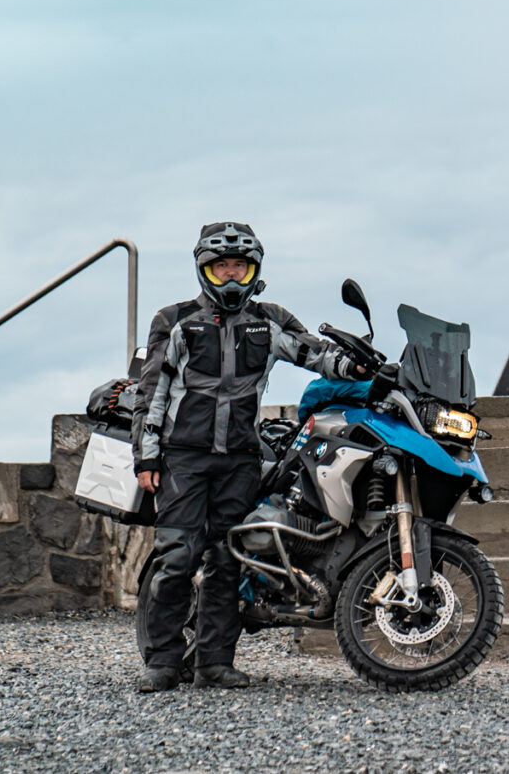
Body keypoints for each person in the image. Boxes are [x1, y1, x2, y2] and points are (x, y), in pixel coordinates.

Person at [130, 222, 376, 693]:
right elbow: (152, 392)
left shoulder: (270, 320)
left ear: (253, 270)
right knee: (177, 557)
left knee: (229, 561)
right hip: (183, 458)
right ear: (205, 270)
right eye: (221, 267)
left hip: (240, 460)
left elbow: (317, 355)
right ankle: (161, 662)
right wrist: (147, 458)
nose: (230, 277)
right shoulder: (175, 320)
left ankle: (214, 664)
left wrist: (356, 364)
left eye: (239, 268)